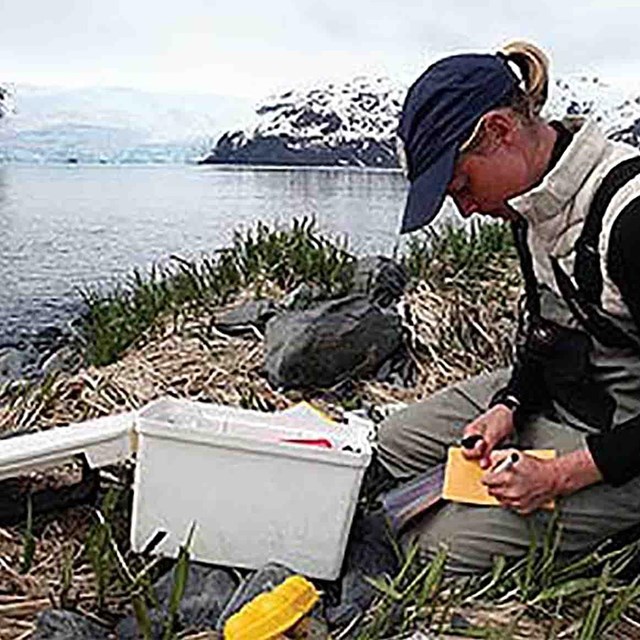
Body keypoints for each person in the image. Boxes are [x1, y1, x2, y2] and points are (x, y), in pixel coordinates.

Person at [378, 41, 640, 574]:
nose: (467, 209)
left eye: (461, 185)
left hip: (626, 427)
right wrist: (510, 404)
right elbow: (548, 328)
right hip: (575, 392)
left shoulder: (630, 220)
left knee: (434, 551)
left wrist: (561, 475)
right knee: (391, 444)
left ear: (499, 131)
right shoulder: (532, 207)